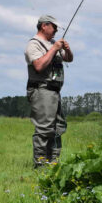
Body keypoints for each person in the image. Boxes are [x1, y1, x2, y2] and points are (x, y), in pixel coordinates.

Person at [24, 15, 74, 167]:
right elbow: (39, 66)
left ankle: (53, 164)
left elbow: (69, 59)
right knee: (44, 129)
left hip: (54, 91)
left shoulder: (53, 43)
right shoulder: (33, 44)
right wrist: (54, 49)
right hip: (41, 90)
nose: (57, 30)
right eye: (54, 27)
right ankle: (40, 166)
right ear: (44, 26)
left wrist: (67, 49)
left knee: (58, 128)